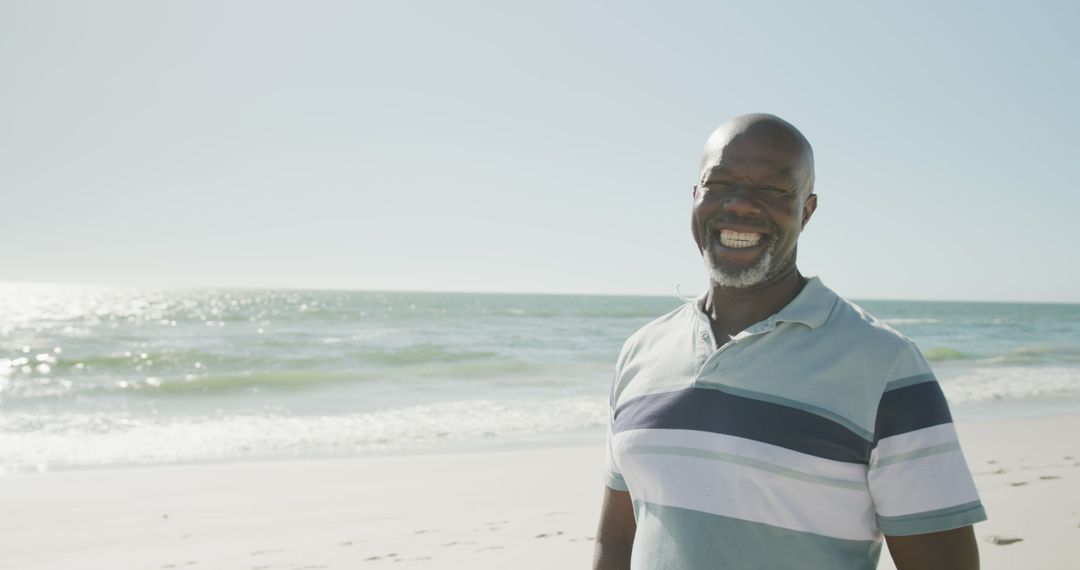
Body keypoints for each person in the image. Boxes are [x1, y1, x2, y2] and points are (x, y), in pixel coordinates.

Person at [593, 113, 986, 570]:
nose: (740, 205)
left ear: (807, 209)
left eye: (773, 189)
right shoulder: (641, 351)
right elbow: (618, 535)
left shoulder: (884, 365)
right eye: (719, 183)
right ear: (695, 196)